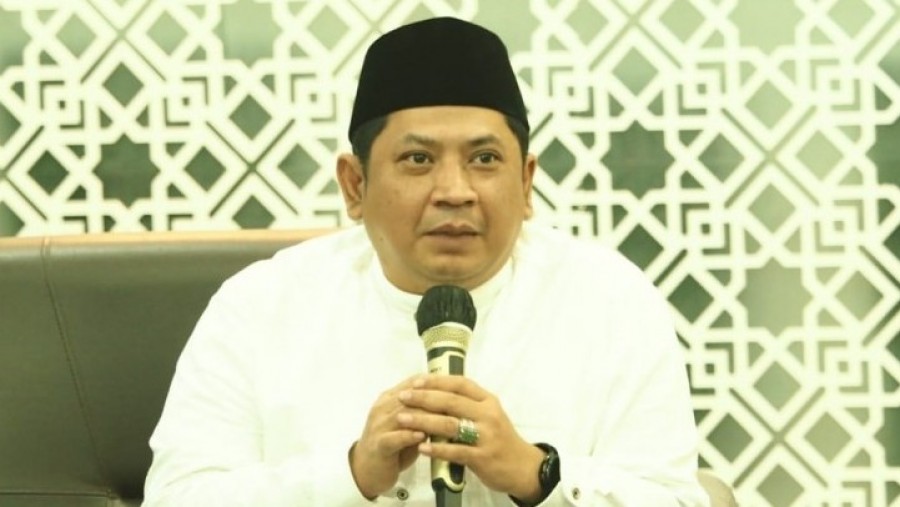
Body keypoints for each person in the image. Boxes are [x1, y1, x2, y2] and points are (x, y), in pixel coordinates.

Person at [143, 17, 710, 506]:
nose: (455, 191)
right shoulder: (260, 307)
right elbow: (176, 498)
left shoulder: (610, 302)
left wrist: (536, 473)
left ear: (526, 182)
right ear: (355, 185)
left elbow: (678, 499)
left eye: (484, 159)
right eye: (418, 159)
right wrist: (349, 475)